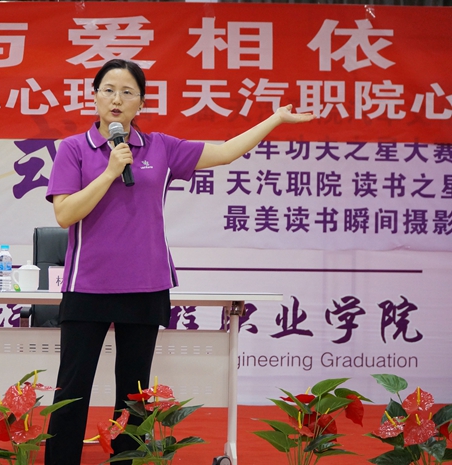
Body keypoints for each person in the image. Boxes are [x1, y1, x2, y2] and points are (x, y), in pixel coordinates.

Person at [44, 58, 314, 465]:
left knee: (134, 396)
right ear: (94, 96)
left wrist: (275, 119)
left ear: (141, 103)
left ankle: (127, 461)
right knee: (73, 390)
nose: (116, 100)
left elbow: (225, 153)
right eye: (108, 90)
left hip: (145, 285)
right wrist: (110, 172)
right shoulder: (74, 149)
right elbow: (65, 214)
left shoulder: (161, 147)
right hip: (88, 285)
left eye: (127, 93)